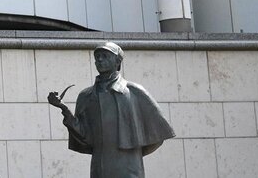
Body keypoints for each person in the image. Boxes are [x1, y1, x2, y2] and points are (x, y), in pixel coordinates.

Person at [47, 42, 175, 178]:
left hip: (129, 167)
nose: (100, 60)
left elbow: (157, 136)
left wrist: (133, 153)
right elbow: (84, 137)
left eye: (105, 56)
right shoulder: (86, 96)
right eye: (97, 57)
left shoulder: (134, 92)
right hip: (99, 168)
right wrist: (64, 108)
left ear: (118, 61)